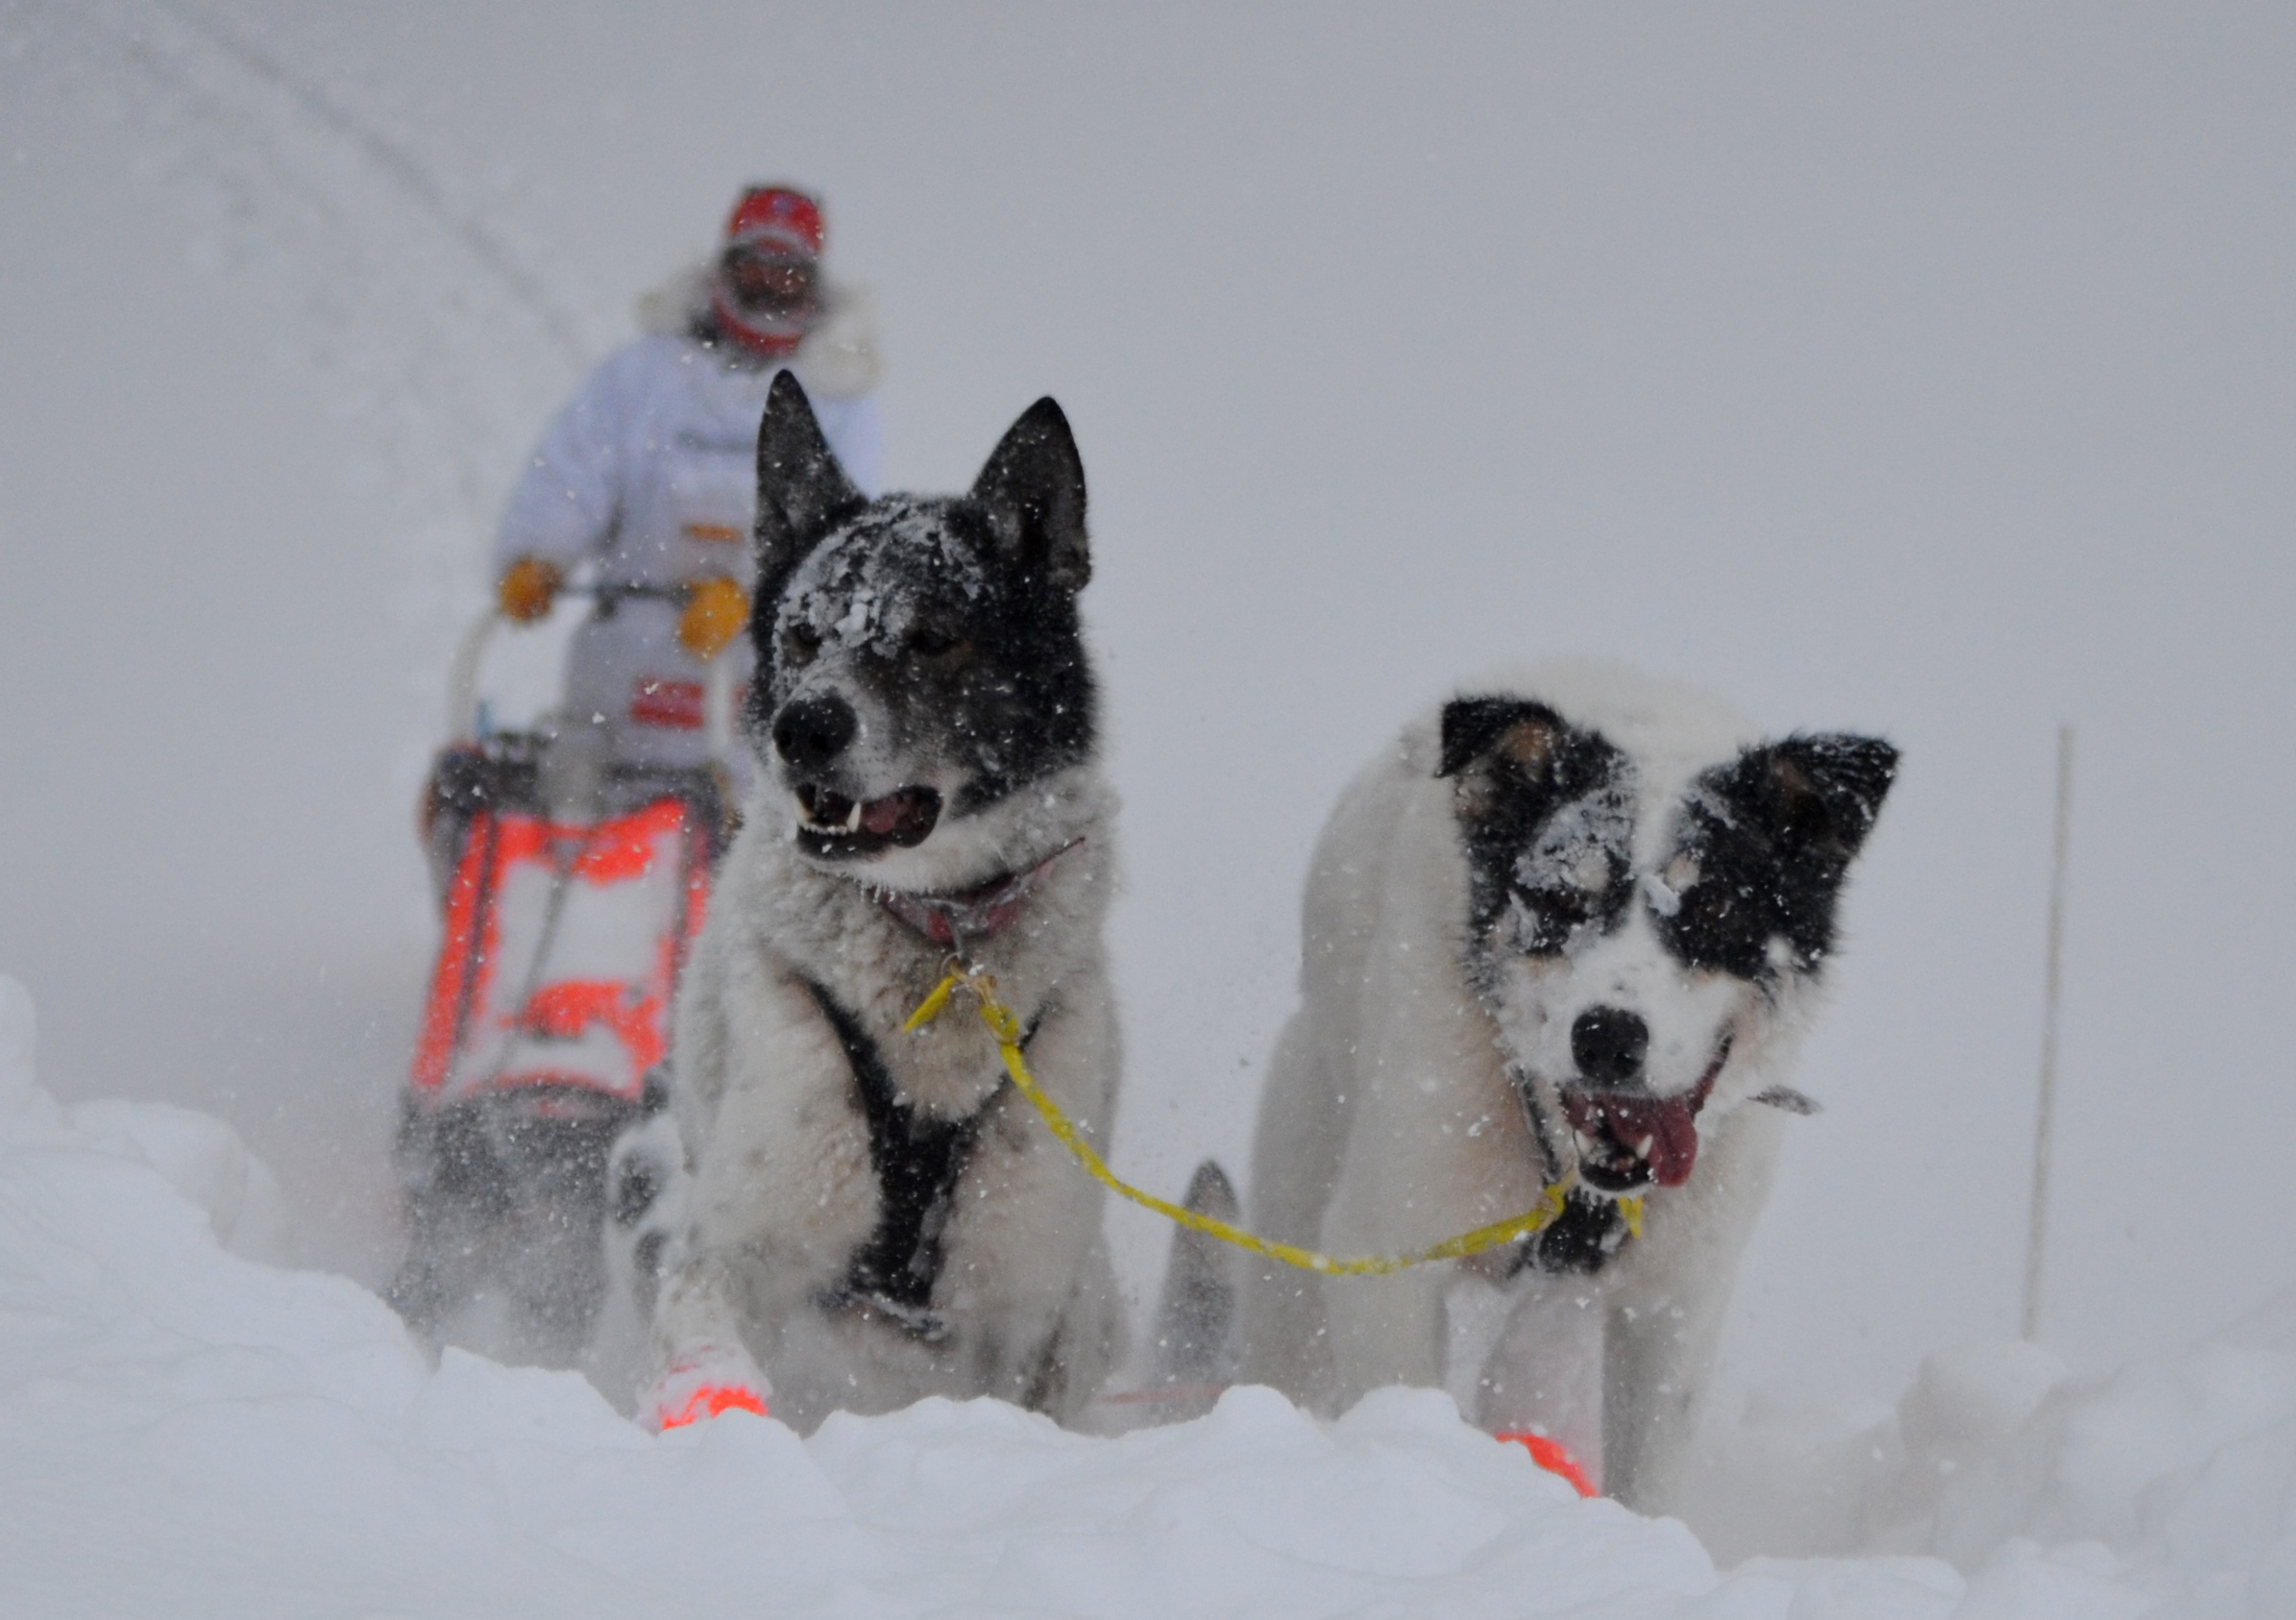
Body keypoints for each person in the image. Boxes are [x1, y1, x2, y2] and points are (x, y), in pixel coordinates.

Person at [493, 184, 884, 776]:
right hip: (622, 662)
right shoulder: (642, 374)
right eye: (755, 264)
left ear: (812, 282)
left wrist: (754, 594)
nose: (768, 283)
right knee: (572, 801)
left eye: (786, 271)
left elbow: (837, 534)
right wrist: (538, 555)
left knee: (740, 811)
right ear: (724, 266)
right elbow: (574, 472)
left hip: (757, 682)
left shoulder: (839, 398)